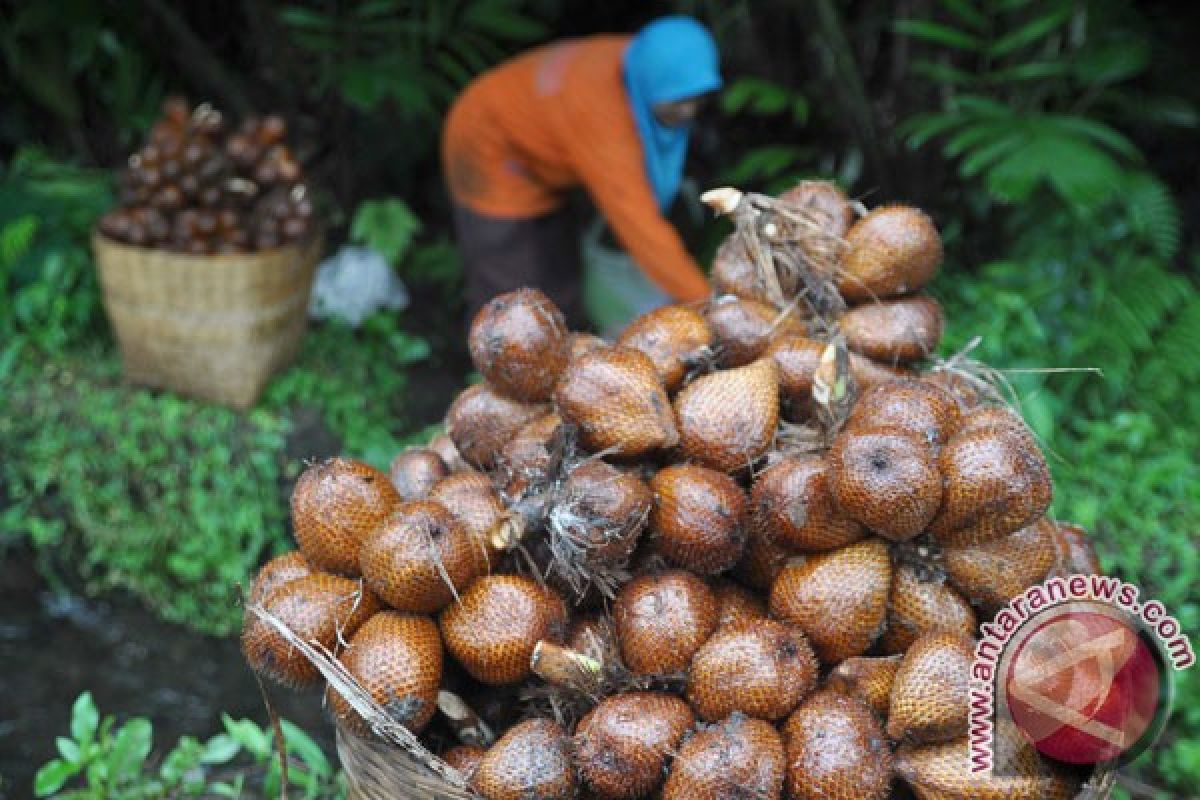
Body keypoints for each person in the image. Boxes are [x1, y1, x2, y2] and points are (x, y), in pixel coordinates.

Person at [441, 15, 722, 326]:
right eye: (677, 101)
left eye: (697, 98)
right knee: (509, 294)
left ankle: (563, 356)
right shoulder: (603, 118)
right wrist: (708, 304)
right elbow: (639, 227)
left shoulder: (642, 61)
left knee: (559, 275)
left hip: (541, 146)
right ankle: (493, 370)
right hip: (487, 144)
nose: (689, 112)